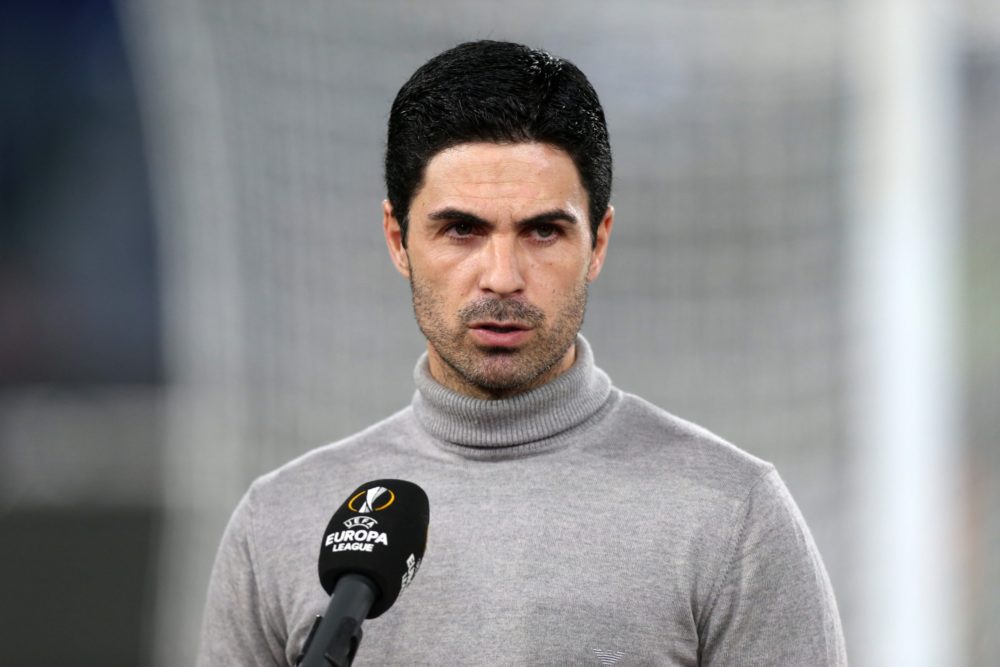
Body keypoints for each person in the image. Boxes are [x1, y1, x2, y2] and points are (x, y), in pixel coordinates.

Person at [197, 40, 847, 666]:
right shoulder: (279, 519)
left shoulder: (732, 515)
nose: (502, 276)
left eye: (542, 231)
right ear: (397, 238)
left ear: (598, 242)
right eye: (462, 230)